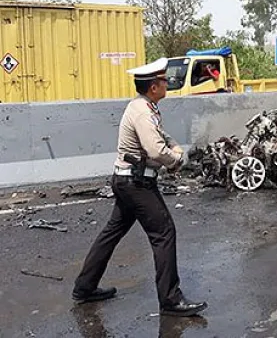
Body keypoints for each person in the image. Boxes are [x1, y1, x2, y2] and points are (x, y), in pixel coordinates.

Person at [72, 57, 208, 317]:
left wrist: (171, 146)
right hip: (136, 183)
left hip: (127, 180)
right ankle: (170, 300)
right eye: (163, 80)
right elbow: (155, 149)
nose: (167, 83)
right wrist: (176, 159)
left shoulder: (145, 107)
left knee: (112, 232)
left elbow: (161, 136)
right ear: (153, 87)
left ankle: (84, 287)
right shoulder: (143, 111)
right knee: (164, 232)